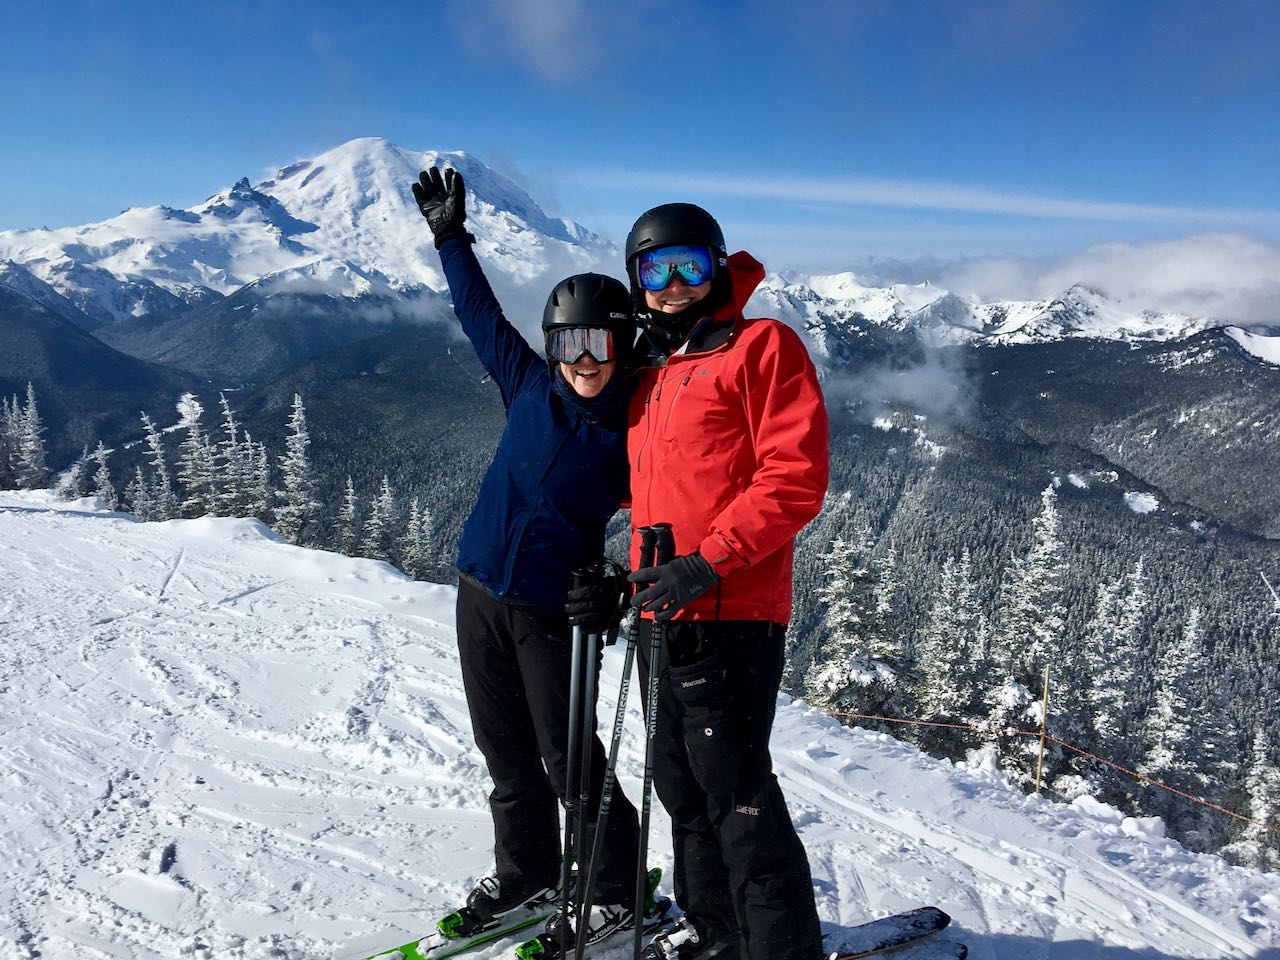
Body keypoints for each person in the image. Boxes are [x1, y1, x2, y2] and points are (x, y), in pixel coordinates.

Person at [410, 166, 642, 947]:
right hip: (479, 592)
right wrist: (450, 237)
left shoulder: (637, 430)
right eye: (570, 343)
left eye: (600, 343)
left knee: (571, 762)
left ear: (623, 343)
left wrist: (622, 583)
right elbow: (478, 314)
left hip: (553, 611)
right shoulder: (527, 384)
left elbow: (673, 513)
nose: (585, 360)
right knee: (506, 758)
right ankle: (529, 878)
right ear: (553, 346)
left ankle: (614, 891)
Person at [622, 203, 830, 960]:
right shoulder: (654, 370)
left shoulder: (761, 347)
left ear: (716, 269)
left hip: (732, 609)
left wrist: (707, 560)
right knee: (681, 789)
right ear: (635, 280)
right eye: (655, 269)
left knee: (738, 798)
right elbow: (644, 483)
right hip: (662, 613)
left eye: (689, 267)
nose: (673, 285)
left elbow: (795, 477)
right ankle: (720, 939)